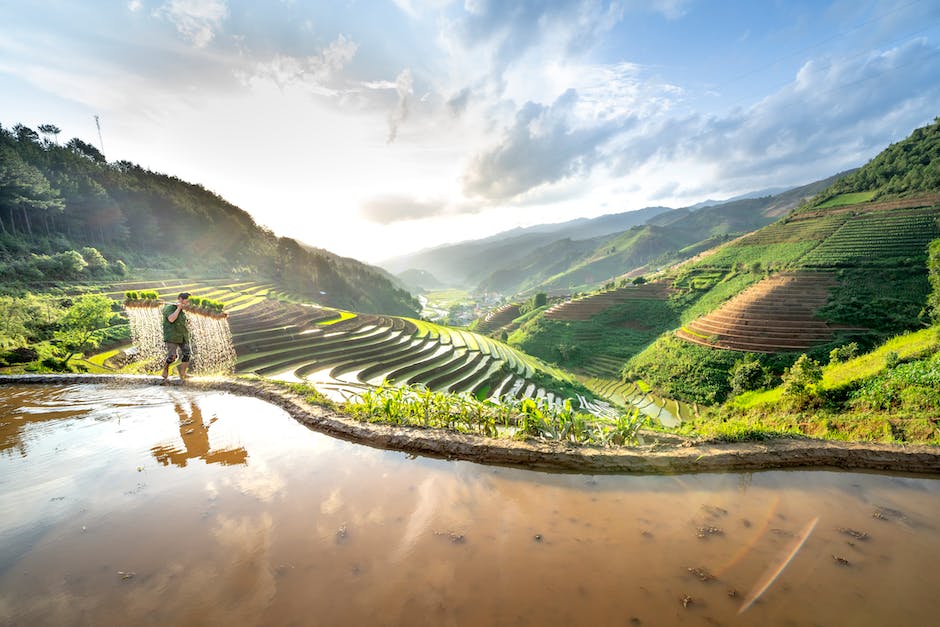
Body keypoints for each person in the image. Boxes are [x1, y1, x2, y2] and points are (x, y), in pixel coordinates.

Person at [161, 292, 192, 382]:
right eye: (187, 301)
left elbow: (185, 322)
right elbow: (171, 319)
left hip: (183, 335)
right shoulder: (169, 308)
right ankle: (166, 369)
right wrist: (178, 308)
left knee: (187, 353)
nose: (188, 303)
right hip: (172, 335)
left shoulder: (184, 310)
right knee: (172, 356)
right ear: (180, 299)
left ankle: (183, 374)